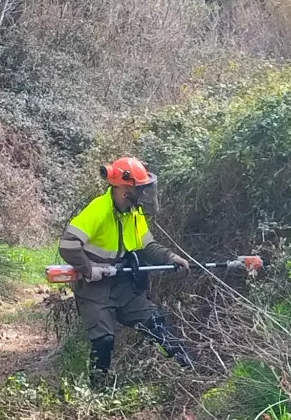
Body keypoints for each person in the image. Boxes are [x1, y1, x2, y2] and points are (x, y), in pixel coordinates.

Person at [59, 156, 193, 383]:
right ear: (123, 189)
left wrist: (171, 257)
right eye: (139, 189)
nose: (143, 194)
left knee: (155, 323)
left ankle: (189, 372)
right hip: (94, 288)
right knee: (104, 340)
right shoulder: (98, 210)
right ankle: (97, 389)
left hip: (124, 285)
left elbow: (147, 245)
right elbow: (68, 245)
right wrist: (89, 268)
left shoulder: (134, 213)